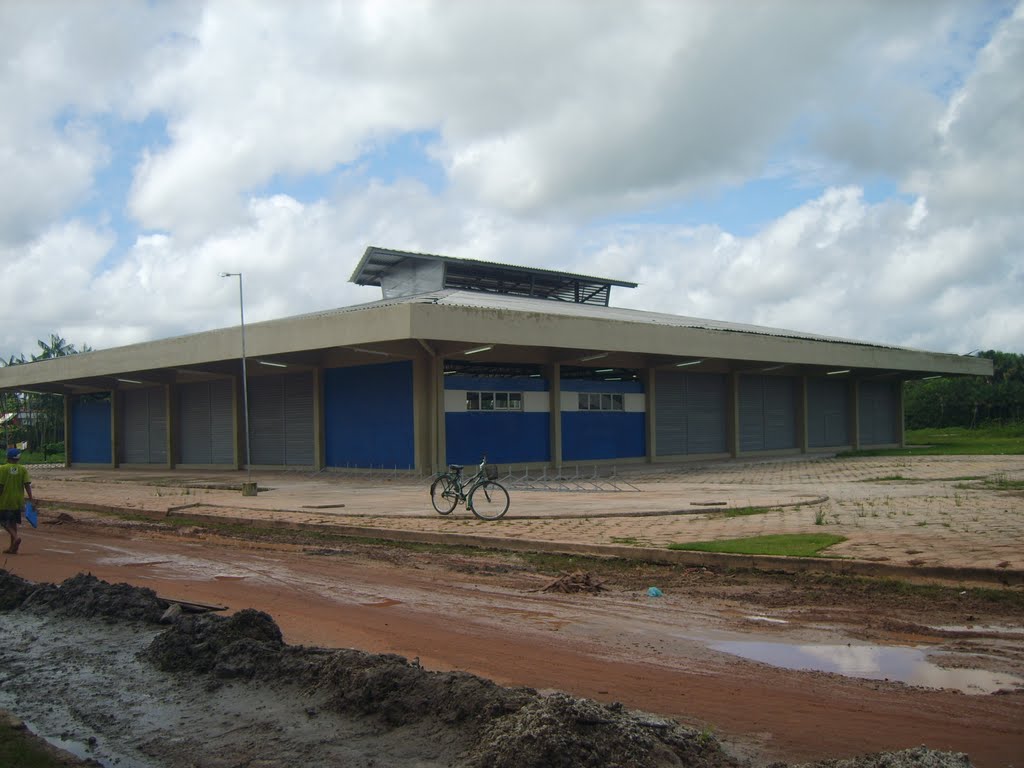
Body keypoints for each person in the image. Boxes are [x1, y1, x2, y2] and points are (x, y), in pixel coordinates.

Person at [1, 447, 33, 554]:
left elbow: (0, 486)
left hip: (4, 500)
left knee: (4, 522)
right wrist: (31, 498)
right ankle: (13, 548)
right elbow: (27, 485)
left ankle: (16, 537)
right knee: (13, 523)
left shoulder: (2, 468)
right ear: (18, 459)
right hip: (18, 501)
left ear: (7, 457)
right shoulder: (23, 469)